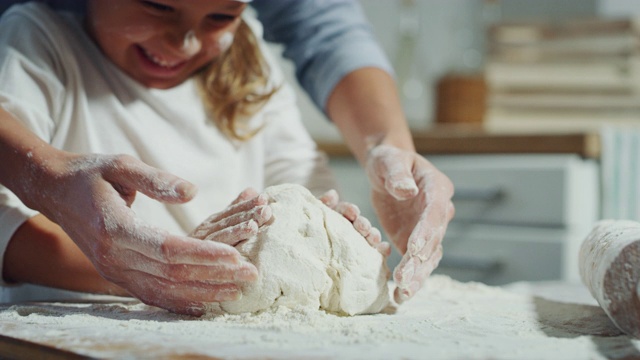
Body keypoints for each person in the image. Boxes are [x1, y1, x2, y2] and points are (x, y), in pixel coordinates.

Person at [1, 0, 455, 309]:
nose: (185, 42)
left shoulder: (247, 57)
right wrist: (152, 275)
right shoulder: (37, 42)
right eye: (158, 5)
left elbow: (300, 183)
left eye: (220, 16)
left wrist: (332, 226)